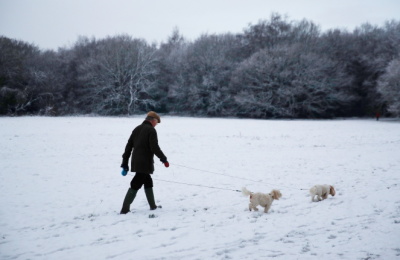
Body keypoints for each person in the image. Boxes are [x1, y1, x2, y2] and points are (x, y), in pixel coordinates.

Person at [120, 111, 169, 214]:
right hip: (145, 162)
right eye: (156, 122)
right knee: (136, 183)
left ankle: (153, 206)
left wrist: (125, 162)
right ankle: (125, 209)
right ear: (153, 120)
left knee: (148, 181)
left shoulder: (136, 129)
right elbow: (154, 147)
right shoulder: (151, 130)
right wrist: (163, 159)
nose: (156, 125)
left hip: (136, 161)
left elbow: (128, 147)